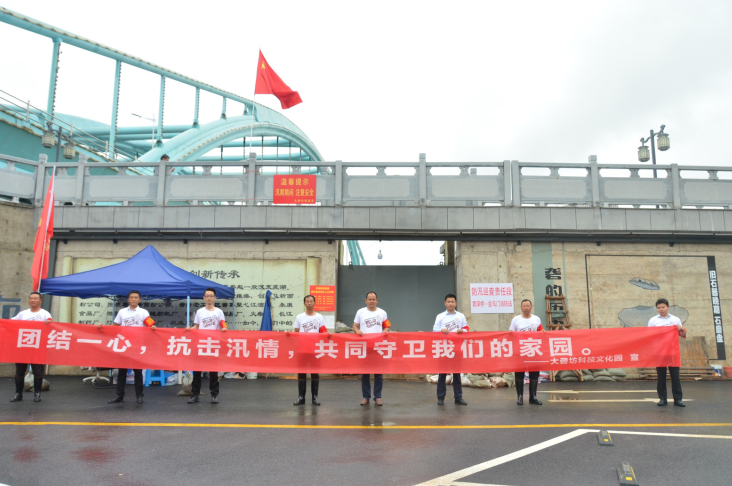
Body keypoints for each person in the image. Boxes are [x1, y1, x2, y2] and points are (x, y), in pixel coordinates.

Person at [105, 290, 156, 404]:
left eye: (136, 297)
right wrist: (102, 328)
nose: (133, 299)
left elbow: (151, 325)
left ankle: (139, 395)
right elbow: (115, 326)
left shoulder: (143, 312)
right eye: (131, 297)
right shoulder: (122, 312)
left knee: (138, 372)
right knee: (122, 371)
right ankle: (119, 395)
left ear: (139, 299)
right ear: (128, 299)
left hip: (137, 346)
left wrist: (153, 327)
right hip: (124, 346)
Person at [9, 292, 52, 402]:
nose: (32, 300)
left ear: (40, 300)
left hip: (37, 347)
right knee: (19, 372)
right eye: (31, 298)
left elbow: (50, 324)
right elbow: (11, 322)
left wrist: (48, 323)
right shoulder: (23, 314)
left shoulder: (45, 313)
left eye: (35, 298)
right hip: (23, 346)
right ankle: (18, 394)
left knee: (38, 372)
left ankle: (37, 394)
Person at [188, 288, 228, 404]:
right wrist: (189, 329)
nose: (209, 298)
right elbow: (197, 326)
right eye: (207, 296)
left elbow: (223, 325)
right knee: (197, 370)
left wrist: (224, 329)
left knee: (213, 371)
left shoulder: (219, 312)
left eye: (211, 296)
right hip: (201, 344)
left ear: (214, 298)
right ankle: (195, 394)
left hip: (213, 344)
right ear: (204, 298)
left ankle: (214, 395)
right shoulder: (200, 311)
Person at [353, 291, 391, 406]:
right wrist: (357, 331)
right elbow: (355, 325)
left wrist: (385, 331)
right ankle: (366, 397)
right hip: (365, 347)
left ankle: (378, 397)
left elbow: (387, 326)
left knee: (378, 373)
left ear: (377, 300)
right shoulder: (360, 312)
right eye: (369, 299)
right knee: (365, 373)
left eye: (373, 299)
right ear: (366, 301)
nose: (371, 301)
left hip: (378, 347)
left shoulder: (382, 312)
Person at [648, 298, 687, 407]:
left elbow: (683, 335)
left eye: (663, 307)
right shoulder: (653, 321)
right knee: (661, 377)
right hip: (659, 352)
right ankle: (662, 399)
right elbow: (649, 336)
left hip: (672, 351)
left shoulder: (675, 319)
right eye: (659, 308)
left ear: (668, 307)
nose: (661, 309)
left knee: (675, 376)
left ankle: (678, 399)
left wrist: (681, 329)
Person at [432, 293, 469, 406]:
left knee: (457, 374)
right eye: (448, 302)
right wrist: (441, 330)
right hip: (444, 348)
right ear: (445, 303)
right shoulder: (440, 316)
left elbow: (466, 328)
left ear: (456, 303)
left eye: (452, 302)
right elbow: (434, 330)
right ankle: (440, 398)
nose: (450, 304)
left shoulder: (461, 316)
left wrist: (462, 331)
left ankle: (458, 397)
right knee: (442, 373)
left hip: (457, 348)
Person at [293, 294, 328, 406]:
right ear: (304, 303)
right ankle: (301, 397)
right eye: (307, 301)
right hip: (302, 349)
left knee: (315, 373)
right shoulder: (299, 317)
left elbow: (323, 330)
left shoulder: (319, 317)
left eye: (311, 301)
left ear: (314, 303)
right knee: (301, 373)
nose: (309, 303)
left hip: (315, 349)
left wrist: (326, 334)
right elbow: (296, 332)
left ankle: (315, 398)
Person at [509, 299, 544, 406]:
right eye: (524, 306)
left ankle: (533, 397)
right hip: (520, 351)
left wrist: (542, 332)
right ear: (521, 307)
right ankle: (520, 397)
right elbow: (511, 333)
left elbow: (541, 331)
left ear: (531, 307)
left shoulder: (536, 319)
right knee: (519, 374)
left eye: (528, 306)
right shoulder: (516, 319)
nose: (526, 308)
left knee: (534, 374)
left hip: (533, 350)